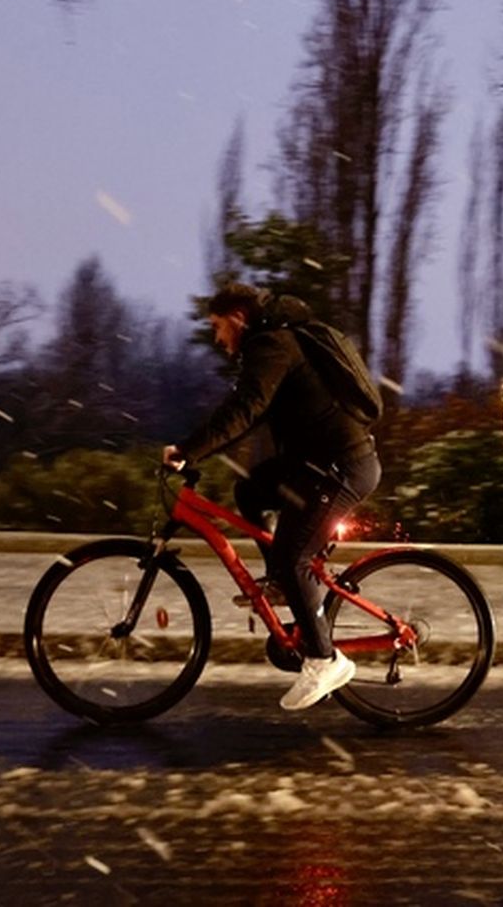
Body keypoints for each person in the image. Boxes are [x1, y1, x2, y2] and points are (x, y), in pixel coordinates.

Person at [162, 282, 381, 711]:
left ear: (239, 317)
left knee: (293, 552)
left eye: (218, 327)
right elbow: (246, 412)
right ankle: (283, 583)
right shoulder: (272, 342)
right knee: (251, 489)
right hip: (317, 463)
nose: (217, 338)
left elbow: (245, 410)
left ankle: (324, 659)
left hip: (341, 467)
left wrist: (188, 451)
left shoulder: (272, 345)